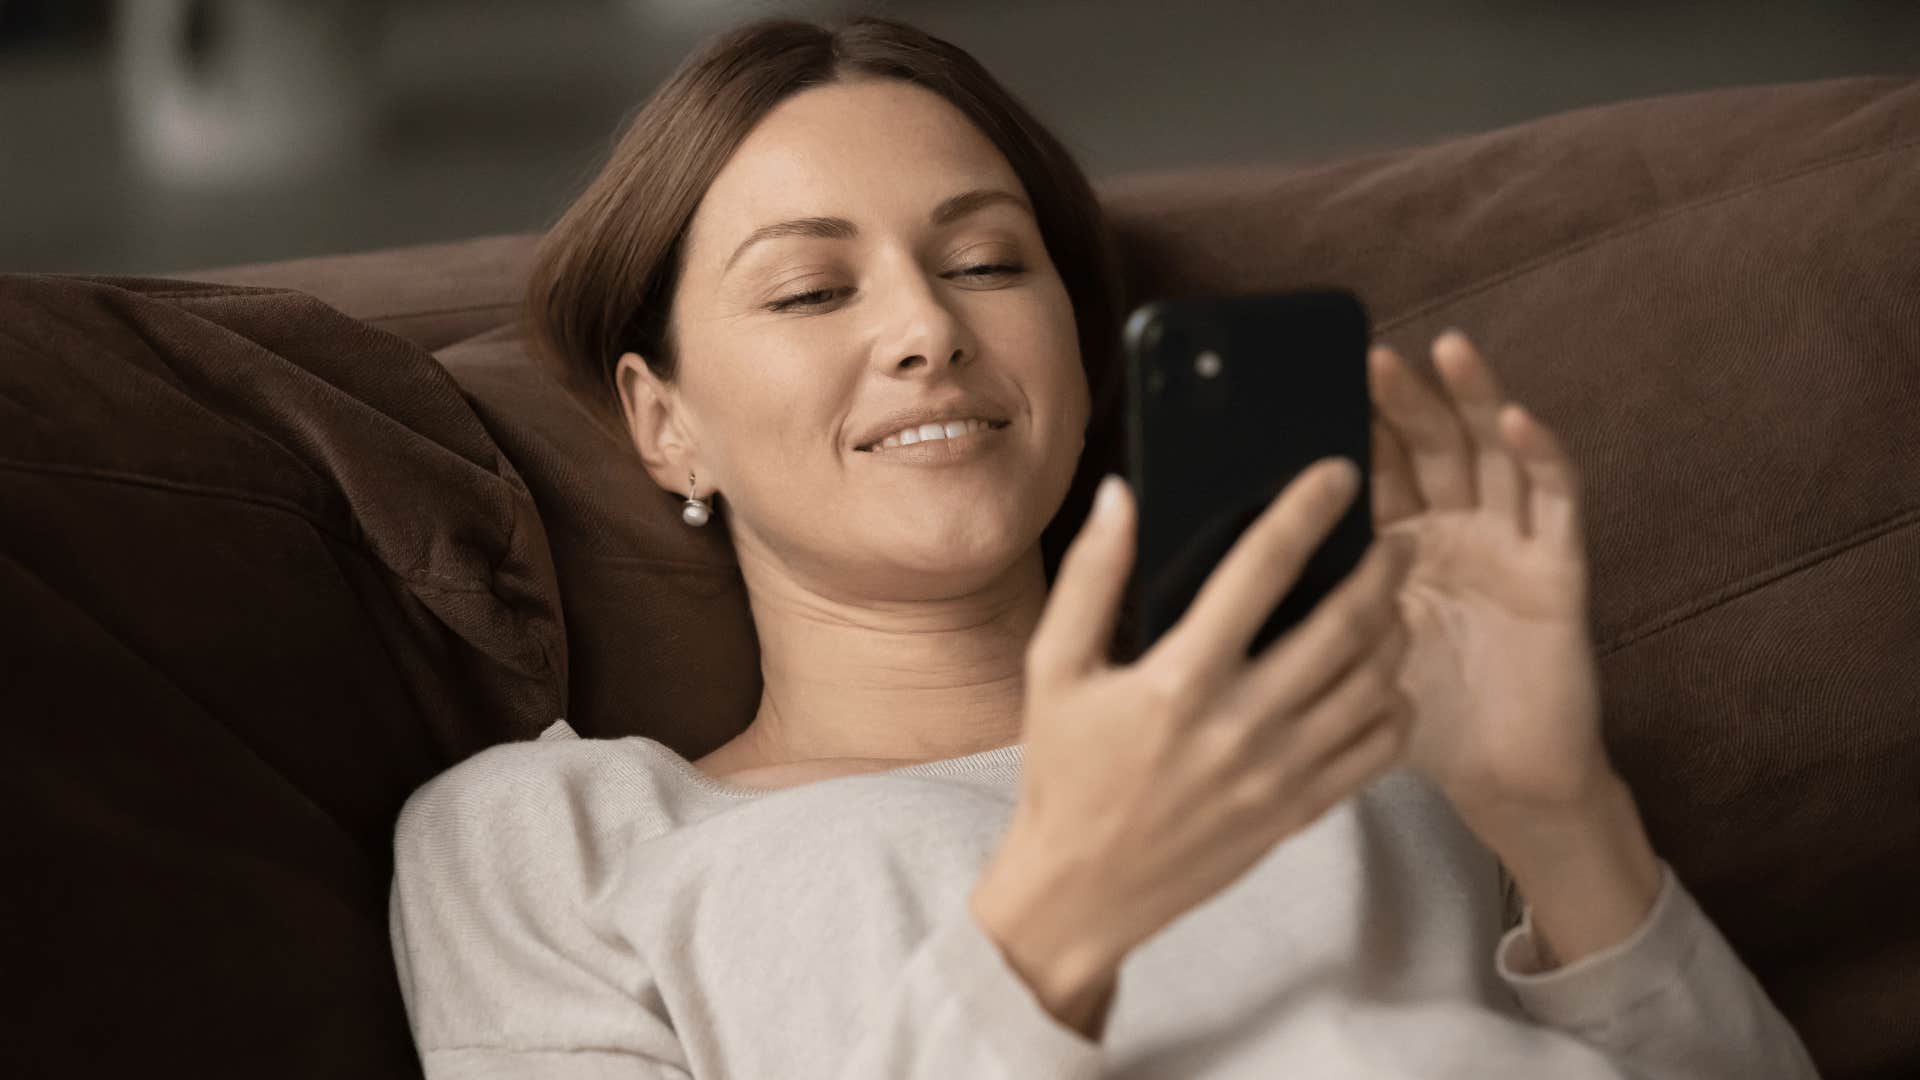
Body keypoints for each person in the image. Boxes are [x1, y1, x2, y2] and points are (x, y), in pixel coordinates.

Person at [387, 14, 1821, 1079]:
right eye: (813, 289)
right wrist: (1053, 926)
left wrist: (1557, 810)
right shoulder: (559, 837)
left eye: (988, 263)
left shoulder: (1382, 737)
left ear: (1085, 364)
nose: (928, 329)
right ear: (664, 423)